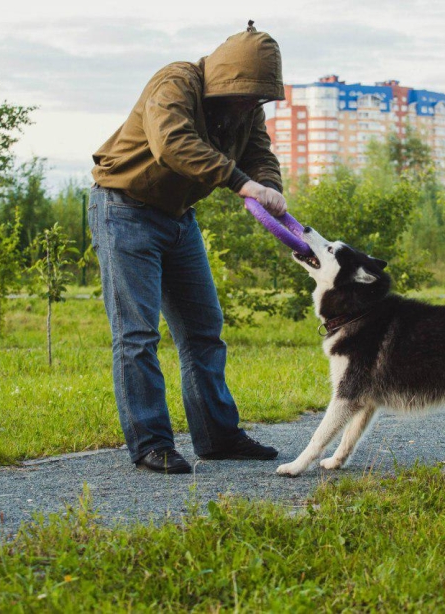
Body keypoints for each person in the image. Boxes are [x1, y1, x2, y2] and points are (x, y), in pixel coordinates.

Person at [88, 21, 286, 474]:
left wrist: (268, 189)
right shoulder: (175, 82)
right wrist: (243, 185)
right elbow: (173, 144)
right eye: (244, 94)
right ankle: (151, 443)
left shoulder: (245, 109)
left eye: (257, 97)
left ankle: (218, 437)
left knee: (203, 329)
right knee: (137, 333)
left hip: (178, 218)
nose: (249, 104)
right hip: (124, 209)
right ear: (224, 77)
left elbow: (259, 155)